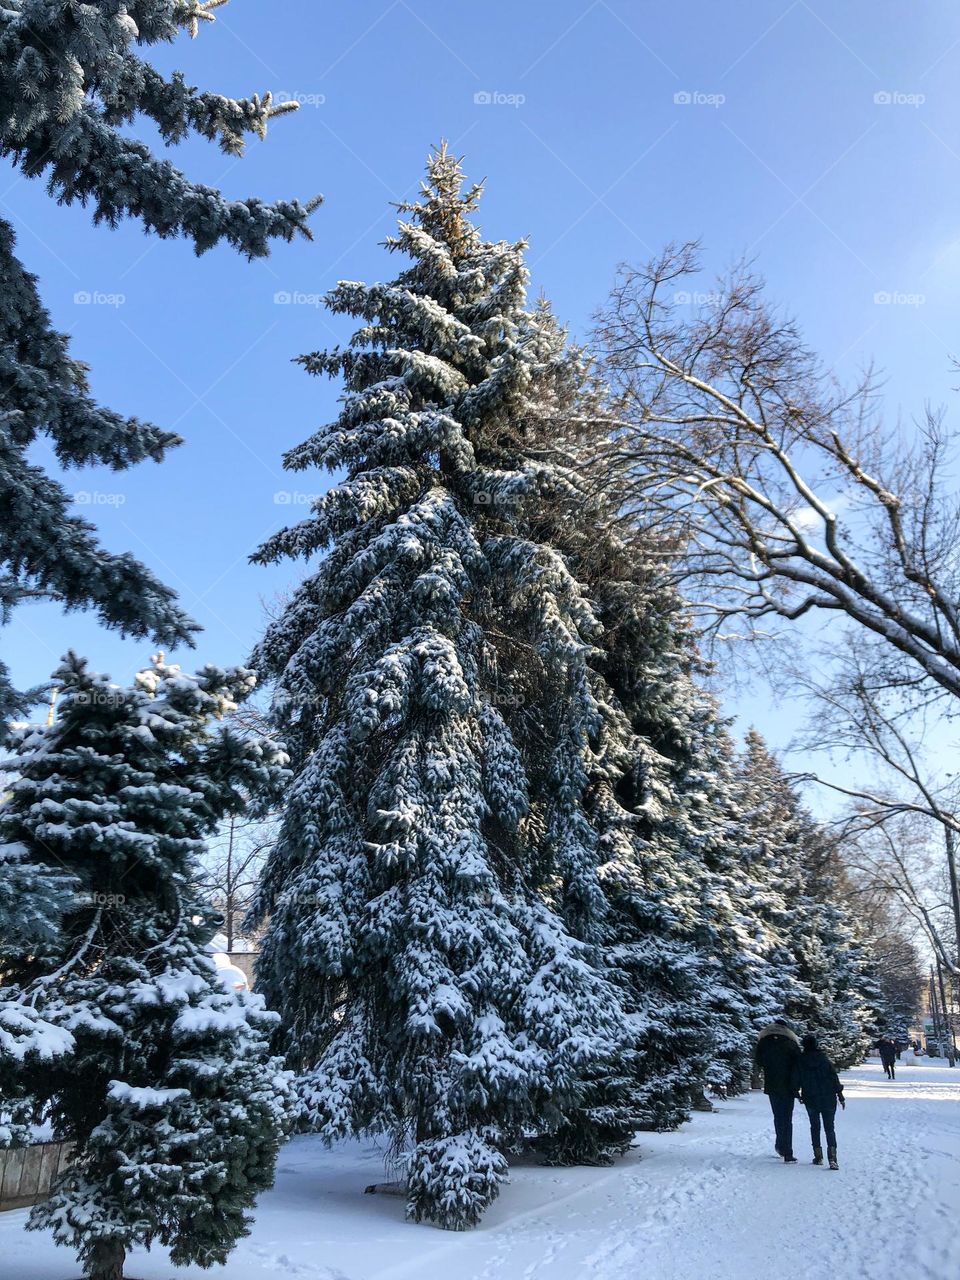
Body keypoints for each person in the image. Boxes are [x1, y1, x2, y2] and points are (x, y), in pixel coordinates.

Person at [754, 1020, 801, 1164]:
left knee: (777, 1115)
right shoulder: (791, 1043)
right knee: (787, 1118)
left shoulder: (763, 1042)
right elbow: (799, 1063)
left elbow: (759, 1061)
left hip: (772, 1084)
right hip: (788, 1085)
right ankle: (787, 1151)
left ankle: (780, 1145)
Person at [797, 1032, 845, 1170]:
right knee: (830, 1128)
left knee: (815, 1126)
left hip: (810, 1098)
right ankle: (833, 1158)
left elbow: (796, 1079)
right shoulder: (824, 1060)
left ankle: (818, 1156)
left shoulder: (801, 1061)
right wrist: (840, 1095)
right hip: (828, 1097)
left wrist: (796, 1093)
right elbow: (834, 1078)